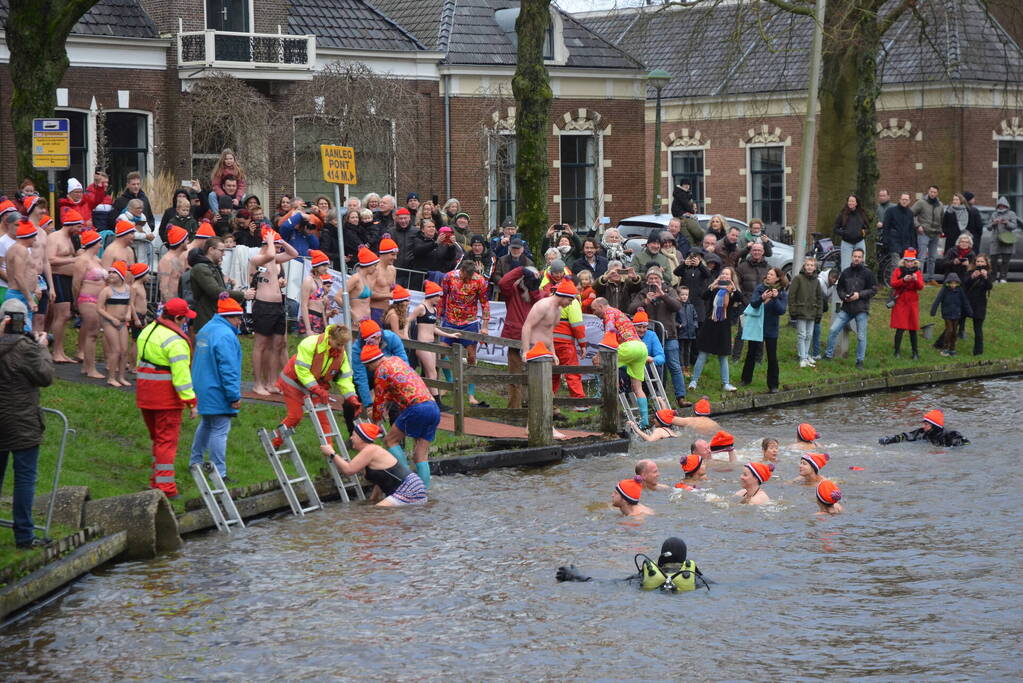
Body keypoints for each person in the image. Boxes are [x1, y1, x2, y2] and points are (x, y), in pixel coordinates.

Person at [0, 298, 54, 548]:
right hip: (22, 422)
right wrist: (42, 347)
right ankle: (24, 535)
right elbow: (45, 377)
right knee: (24, 479)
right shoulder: (27, 348)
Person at [136, 297, 198, 499]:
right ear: (178, 318)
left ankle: (156, 481)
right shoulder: (176, 341)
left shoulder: (148, 330)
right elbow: (182, 377)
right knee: (166, 441)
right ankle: (166, 488)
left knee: (157, 439)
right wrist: (191, 402)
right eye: (185, 318)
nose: (186, 322)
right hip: (166, 398)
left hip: (145, 394)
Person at [361, 344, 440, 488]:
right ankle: (423, 493)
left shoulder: (381, 370)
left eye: (368, 366)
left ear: (372, 362)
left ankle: (407, 482)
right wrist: (387, 403)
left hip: (416, 408)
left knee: (390, 440)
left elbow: (378, 400)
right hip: (433, 407)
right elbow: (401, 386)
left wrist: (376, 422)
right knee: (420, 455)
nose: (369, 370)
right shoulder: (397, 360)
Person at [273, 324, 360, 454]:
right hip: (293, 383)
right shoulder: (309, 343)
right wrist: (316, 389)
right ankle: (274, 443)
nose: (341, 348)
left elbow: (345, 378)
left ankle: (330, 453)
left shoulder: (341, 353)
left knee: (324, 420)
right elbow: (302, 370)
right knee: (295, 416)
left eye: (343, 345)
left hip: (316, 386)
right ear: (330, 338)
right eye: (339, 344)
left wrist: (351, 397)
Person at [189, 295, 243, 481]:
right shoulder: (226, 336)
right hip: (217, 389)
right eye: (237, 318)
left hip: (201, 385)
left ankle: (195, 462)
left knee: (206, 424)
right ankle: (219, 473)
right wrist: (234, 396)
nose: (239, 322)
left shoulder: (206, 329)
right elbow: (228, 369)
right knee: (220, 429)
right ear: (229, 317)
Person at [323, 422, 427, 507]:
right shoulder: (370, 451)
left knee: (377, 512)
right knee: (375, 512)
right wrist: (372, 500)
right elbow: (381, 480)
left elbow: (349, 470)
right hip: (413, 487)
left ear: (361, 438)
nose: (351, 438)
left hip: (409, 488)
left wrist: (332, 453)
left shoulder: (370, 450)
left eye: (353, 435)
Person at [556, 537, 709, 592]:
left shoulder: (644, 575)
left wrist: (576, 576)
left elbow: (608, 583)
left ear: (661, 555)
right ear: (685, 559)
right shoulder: (695, 578)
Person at [628, 266, 686, 407]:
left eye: (656, 278)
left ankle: (681, 397)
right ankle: (655, 395)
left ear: (661, 280)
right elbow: (630, 309)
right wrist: (645, 302)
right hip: (650, 336)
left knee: (674, 365)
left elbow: (677, 306)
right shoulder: (643, 293)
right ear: (647, 280)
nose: (653, 281)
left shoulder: (669, 290)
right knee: (654, 365)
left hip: (669, 334)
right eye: (650, 278)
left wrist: (663, 296)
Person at [590, 297, 652, 428]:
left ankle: (602, 400)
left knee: (603, 367)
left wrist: (598, 355)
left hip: (629, 347)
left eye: (594, 310)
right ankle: (645, 421)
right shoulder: (620, 314)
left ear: (601, 307)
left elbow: (609, 335)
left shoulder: (609, 314)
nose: (593, 313)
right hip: (641, 348)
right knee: (637, 387)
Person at [438, 259, 490, 407]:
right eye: (464, 277)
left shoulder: (480, 281)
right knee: (441, 351)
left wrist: (485, 325)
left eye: (468, 278)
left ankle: (470, 394)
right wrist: (438, 318)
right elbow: (442, 297)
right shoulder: (449, 277)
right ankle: (449, 382)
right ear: (460, 271)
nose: (465, 280)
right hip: (450, 319)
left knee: (472, 357)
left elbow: (485, 303)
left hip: (470, 322)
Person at [688, 266, 743, 392]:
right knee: (702, 354)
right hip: (710, 324)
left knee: (723, 356)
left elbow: (741, 299)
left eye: (727, 274)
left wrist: (733, 289)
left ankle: (726, 383)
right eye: (723, 273)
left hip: (724, 327)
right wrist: (713, 285)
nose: (725, 276)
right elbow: (703, 296)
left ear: (731, 277)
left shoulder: (732, 291)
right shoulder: (715, 288)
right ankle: (693, 381)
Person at [823, 248, 876, 369]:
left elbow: (873, 290)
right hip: (846, 308)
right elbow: (839, 288)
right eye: (855, 256)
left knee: (861, 336)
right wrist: (843, 297)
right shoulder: (846, 272)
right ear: (852, 257)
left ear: (862, 258)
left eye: (859, 257)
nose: (856, 258)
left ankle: (859, 361)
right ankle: (828, 354)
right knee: (833, 330)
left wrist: (859, 295)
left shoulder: (868, 273)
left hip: (861, 309)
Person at [497, 265, 542, 409]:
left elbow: (539, 304)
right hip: (514, 337)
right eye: (529, 277)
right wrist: (521, 270)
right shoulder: (513, 291)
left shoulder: (539, 293)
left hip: (534, 339)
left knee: (536, 375)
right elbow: (503, 283)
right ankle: (514, 409)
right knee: (515, 376)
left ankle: (534, 407)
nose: (531, 280)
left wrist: (534, 288)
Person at [187, 236, 253, 333]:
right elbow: (215, 291)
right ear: (211, 249)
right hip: (206, 319)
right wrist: (243, 294)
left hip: (213, 317)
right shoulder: (201, 268)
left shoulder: (211, 267)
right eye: (221, 251)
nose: (223, 254)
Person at [739, 267, 788, 392]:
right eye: (768, 274)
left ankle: (773, 385)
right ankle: (746, 379)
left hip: (771, 328)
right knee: (751, 352)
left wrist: (775, 298)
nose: (768, 276)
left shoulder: (781, 292)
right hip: (757, 325)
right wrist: (762, 298)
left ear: (777, 278)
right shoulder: (760, 288)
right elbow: (753, 304)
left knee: (772, 356)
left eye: (771, 274)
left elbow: (781, 310)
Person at [45, 209, 81, 363]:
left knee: (64, 316)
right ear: (71, 224)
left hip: (66, 279)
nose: (80, 230)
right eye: (78, 226)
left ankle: (60, 350)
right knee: (62, 315)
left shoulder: (69, 238)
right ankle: (56, 352)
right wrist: (72, 261)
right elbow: (50, 259)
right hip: (57, 278)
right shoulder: (55, 237)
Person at [352, 319, 409, 412]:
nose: (376, 341)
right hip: (369, 376)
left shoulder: (392, 338)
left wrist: (402, 385)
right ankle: (353, 423)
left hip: (390, 376)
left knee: (396, 407)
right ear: (364, 340)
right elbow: (360, 377)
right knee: (352, 401)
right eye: (372, 338)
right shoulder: (357, 349)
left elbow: (404, 363)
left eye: (378, 337)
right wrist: (368, 404)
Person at [71, 229, 106, 379]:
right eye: (99, 242)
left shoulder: (97, 260)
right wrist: (76, 302)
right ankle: (91, 368)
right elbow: (76, 284)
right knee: (92, 334)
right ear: (92, 243)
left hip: (98, 300)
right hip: (87, 299)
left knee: (93, 333)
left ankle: (87, 366)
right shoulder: (82, 260)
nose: (101, 244)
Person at [409, 280, 447, 407]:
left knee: (430, 372)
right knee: (432, 372)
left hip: (431, 344)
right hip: (422, 344)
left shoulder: (434, 309)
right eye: (437, 296)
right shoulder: (421, 307)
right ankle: (437, 402)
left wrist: (449, 335)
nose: (439, 299)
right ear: (431, 295)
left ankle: (426, 398)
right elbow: (408, 320)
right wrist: (405, 336)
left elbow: (433, 328)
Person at [97, 261, 132, 387]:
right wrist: (111, 319)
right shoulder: (106, 291)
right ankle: (111, 377)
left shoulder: (128, 289)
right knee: (115, 350)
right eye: (109, 272)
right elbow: (100, 308)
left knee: (124, 351)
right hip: (109, 322)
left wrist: (128, 313)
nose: (111, 275)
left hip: (122, 322)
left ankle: (121, 376)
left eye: (114, 273)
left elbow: (129, 304)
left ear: (121, 275)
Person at [3, 220, 40, 331]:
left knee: (22, 331)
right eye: (34, 236)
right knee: (18, 332)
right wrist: (29, 299)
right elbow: (18, 276)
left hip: (22, 295)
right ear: (27, 236)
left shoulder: (16, 248)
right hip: (19, 296)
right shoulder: (20, 250)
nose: (35, 239)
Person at [889, 249, 924, 359]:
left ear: (915, 262)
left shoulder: (917, 272)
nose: (909, 263)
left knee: (913, 329)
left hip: (912, 302)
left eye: (911, 261)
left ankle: (915, 352)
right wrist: (903, 280)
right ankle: (897, 351)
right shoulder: (898, 271)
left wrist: (915, 280)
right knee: (900, 328)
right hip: (901, 301)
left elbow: (921, 287)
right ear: (904, 261)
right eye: (907, 261)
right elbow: (893, 284)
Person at [788, 256, 822, 368]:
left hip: (812, 311)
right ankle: (802, 357)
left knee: (809, 335)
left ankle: (806, 355)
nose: (809, 267)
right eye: (808, 265)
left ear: (815, 267)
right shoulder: (798, 278)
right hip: (801, 310)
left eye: (812, 265)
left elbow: (819, 298)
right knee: (801, 335)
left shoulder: (817, 281)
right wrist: (792, 310)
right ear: (804, 266)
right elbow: (792, 295)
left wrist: (819, 313)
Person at [929, 273, 972, 357]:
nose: (953, 285)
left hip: (957, 314)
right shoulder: (944, 289)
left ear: (957, 283)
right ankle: (945, 348)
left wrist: (969, 311)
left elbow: (965, 301)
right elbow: (937, 300)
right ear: (948, 283)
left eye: (955, 283)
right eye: (951, 283)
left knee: (954, 332)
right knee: (949, 330)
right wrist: (933, 311)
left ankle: (952, 348)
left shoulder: (960, 290)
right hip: (947, 314)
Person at [879, 408, 969, 447]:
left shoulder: (950, 434)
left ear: (934, 426)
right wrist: (890, 439)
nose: (923, 426)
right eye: (923, 423)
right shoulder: (922, 432)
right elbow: (907, 436)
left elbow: (966, 444)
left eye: (926, 424)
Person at [298, 250, 336, 336]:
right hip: (311, 318)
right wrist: (308, 329)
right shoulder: (308, 281)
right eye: (324, 265)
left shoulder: (320, 280)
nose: (326, 268)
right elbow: (304, 305)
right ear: (316, 266)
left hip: (320, 319)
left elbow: (322, 306)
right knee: (311, 348)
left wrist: (325, 325)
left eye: (327, 265)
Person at [912, 185, 944, 282]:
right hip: (923, 233)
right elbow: (911, 214)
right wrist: (918, 226)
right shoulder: (921, 203)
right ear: (928, 191)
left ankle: (930, 279)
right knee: (921, 257)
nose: (932, 194)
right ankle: (919, 278)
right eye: (931, 191)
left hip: (935, 234)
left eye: (934, 192)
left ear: (937, 193)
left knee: (932, 258)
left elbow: (941, 218)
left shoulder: (940, 205)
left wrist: (940, 229)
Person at [963, 254, 993, 355]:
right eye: (978, 261)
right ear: (975, 263)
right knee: (954, 323)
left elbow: (989, 287)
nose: (979, 263)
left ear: (986, 263)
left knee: (978, 329)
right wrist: (972, 277)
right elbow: (965, 285)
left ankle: (978, 351)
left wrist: (985, 277)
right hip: (967, 303)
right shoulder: (970, 272)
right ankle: (942, 344)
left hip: (980, 305)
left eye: (982, 262)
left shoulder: (988, 274)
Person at [986, 196, 1018, 283]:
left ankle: (1003, 277)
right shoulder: (994, 214)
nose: (1001, 207)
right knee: (993, 261)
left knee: (1005, 261)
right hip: (995, 240)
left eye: (1003, 206)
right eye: (1000, 205)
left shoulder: (1011, 214)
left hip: (1007, 240)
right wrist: (994, 223)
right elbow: (988, 227)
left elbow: (1014, 226)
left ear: (1007, 206)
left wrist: (1006, 222)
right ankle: (993, 278)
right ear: (997, 206)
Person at [833, 194, 869, 272]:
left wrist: (863, 233)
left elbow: (867, 228)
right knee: (845, 266)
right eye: (849, 201)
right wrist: (845, 233)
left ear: (856, 203)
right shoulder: (842, 214)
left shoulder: (862, 213)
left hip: (859, 242)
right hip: (846, 243)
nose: (851, 203)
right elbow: (835, 229)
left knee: (861, 265)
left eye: (853, 201)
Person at [370, 237, 399, 324]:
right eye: (393, 255)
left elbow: (392, 290)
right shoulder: (374, 270)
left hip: (387, 311)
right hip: (374, 310)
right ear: (384, 254)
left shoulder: (393, 269)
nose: (395, 258)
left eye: (396, 255)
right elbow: (368, 293)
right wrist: (389, 295)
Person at [882, 192, 916, 266]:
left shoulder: (910, 213)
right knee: (896, 265)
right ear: (899, 200)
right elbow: (886, 227)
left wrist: (913, 245)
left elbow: (911, 230)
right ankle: (895, 277)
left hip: (906, 244)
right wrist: (885, 241)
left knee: (906, 266)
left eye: (906, 200)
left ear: (909, 201)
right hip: (894, 241)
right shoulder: (891, 211)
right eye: (903, 199)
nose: (904, 201)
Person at [158, 226, 189, 303]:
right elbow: (163, 287)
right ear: (181, 242)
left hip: (177, 303)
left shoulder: (178, 258)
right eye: (186, 239)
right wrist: (169, 307)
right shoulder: (167, 260)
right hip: (170, 306)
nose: (188, 241)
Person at [675, 284, 698, 373]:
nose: (684, 297)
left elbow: (695, 317)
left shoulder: (691, 306)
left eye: (686, 295)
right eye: (682, 295)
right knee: (681, 350)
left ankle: (687, 367)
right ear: (678, 295)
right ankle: (681, 367)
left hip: (690, 333)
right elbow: (674, 319)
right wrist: (678, 325)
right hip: (681, 332)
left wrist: (694, 325)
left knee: (688, 351)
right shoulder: (677, 306)